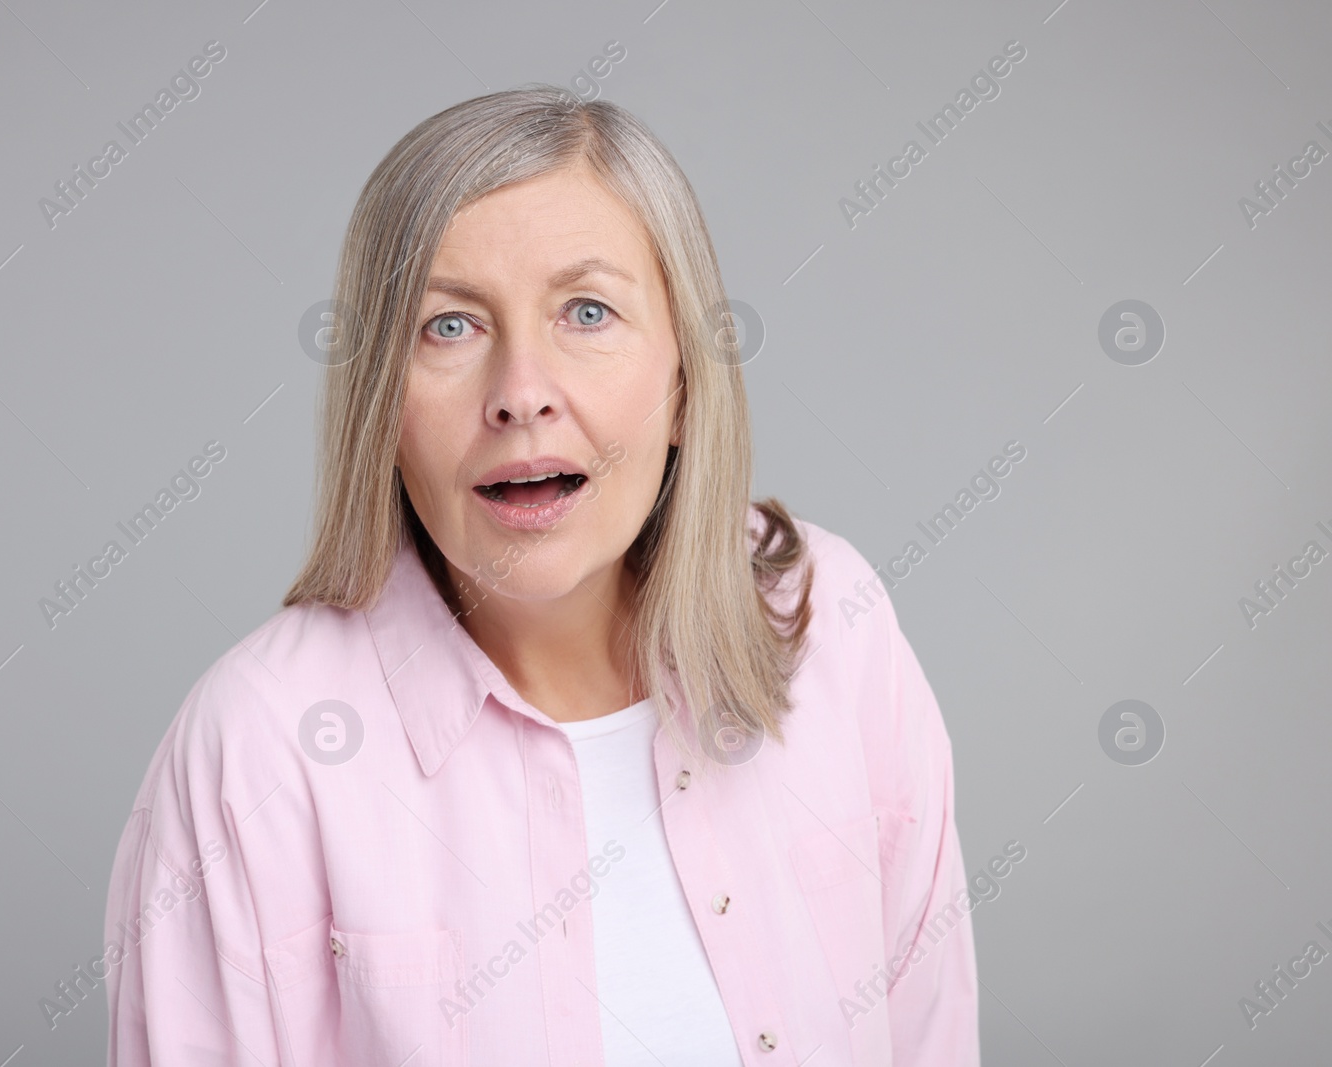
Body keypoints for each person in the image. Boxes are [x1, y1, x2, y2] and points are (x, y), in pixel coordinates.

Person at [103, 84, 978, 1066]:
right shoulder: (260, 747)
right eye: (448, 326)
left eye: (588, 310)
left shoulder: (833, 626)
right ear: (378, 409)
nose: (520, 394)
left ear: (685, 382)